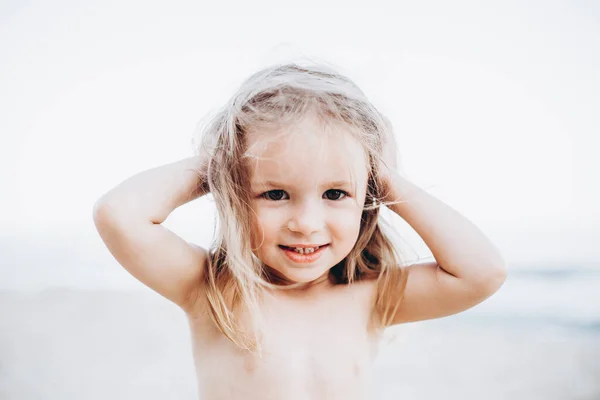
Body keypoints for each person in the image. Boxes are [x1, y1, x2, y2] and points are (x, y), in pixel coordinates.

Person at [92, 61, 508, 400]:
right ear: (236, 193)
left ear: (369, 197)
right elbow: (118, 215)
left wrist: (384, 176)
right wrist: (217, 164)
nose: (306, 224)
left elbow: (483, 272)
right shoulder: (212, 290)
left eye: (335, 193)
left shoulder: (372, 296)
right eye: (275, 193)